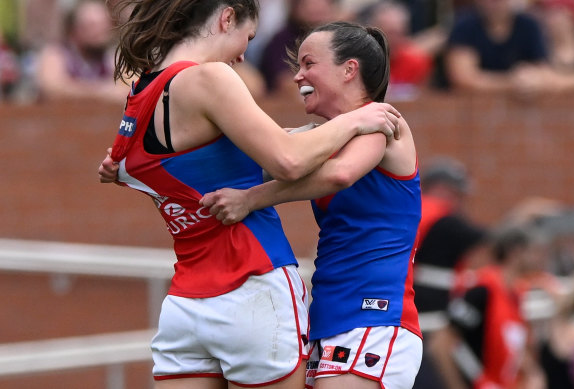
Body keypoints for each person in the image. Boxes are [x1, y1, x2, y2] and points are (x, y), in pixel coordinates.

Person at [98, 1, 401, 388]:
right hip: (252, 286)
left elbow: (128, 166)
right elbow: (287, 161)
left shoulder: (141, 90)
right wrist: (356, 118)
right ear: (226, 17)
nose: (243, 53)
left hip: (185, 304)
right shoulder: (210, 77)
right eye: (248, 36)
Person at [200, 21, 423, 389]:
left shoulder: (383, 120)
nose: (297, 76)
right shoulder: (331, 133)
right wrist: (136, 162)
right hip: (331, 319)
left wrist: (250, 199)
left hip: (375, 315)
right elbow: (258, 146)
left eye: (308, 64)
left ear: (349, 69)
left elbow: (340, 174)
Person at [429, 225, 547, 389]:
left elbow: (514, 347)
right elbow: (440, 343)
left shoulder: (516, 293)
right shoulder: (483, 289)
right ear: (516, 252)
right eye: (536, 251)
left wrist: (533, 373)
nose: (542, 258)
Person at [412, 157, 487, 389]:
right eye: (457, 193)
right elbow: (492, 243)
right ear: (441, 188)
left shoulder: (408, 213)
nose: (460, 202)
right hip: (429, 324)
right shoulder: (443, 219)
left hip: (408, 318)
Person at [443, 0, 555, 99]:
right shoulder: (464, 25)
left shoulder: (529, 26)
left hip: (523, 113)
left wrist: (533, 79)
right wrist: (513, 82)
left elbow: (543, 74)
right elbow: (464, 80)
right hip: (471, 111)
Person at [35, 0, 128, 103]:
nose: (101, 32)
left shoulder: (111, 58)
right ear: (74, 28)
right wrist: (101, 91)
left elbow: (126, 91)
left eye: (104, 25)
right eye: (92, 25)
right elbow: (52, 89)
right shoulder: (57, 53)